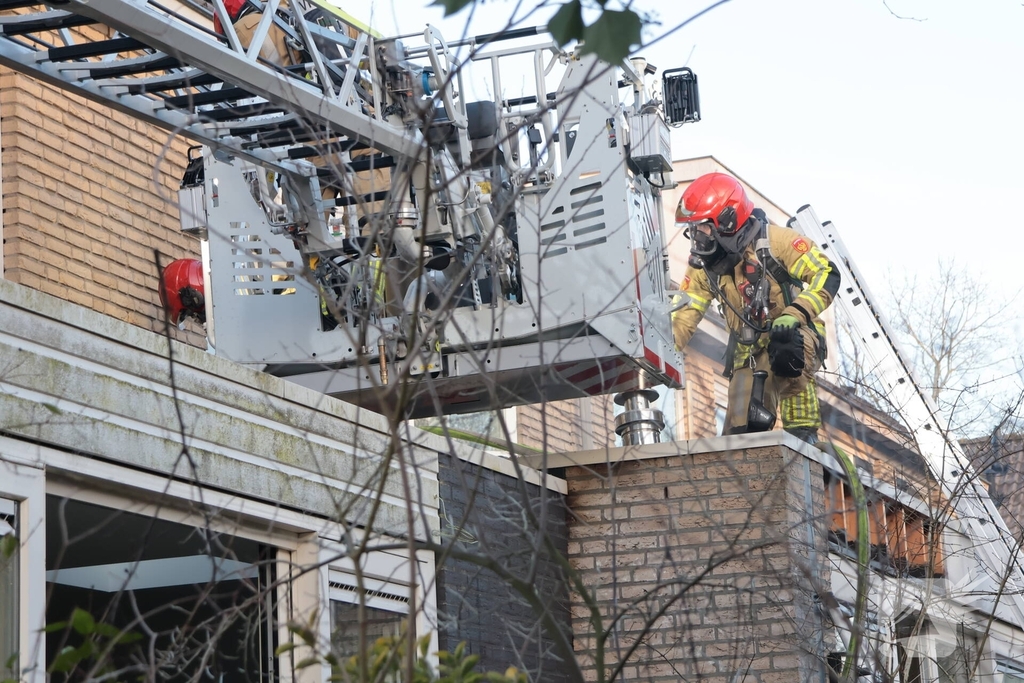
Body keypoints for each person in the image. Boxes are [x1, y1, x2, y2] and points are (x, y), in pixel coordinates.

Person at [671, 173, 841, 444]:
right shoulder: (704, 266)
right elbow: (683, 314)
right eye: (693, 229)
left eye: (702, 227)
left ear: (727, 219)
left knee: (785, 347)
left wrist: (794, 314)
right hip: (747, 350)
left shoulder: (778, 242)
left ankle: (803, 432)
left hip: (795, 336)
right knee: (740, 436)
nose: (696, 237)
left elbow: (827, 274)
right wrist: (660, 357)